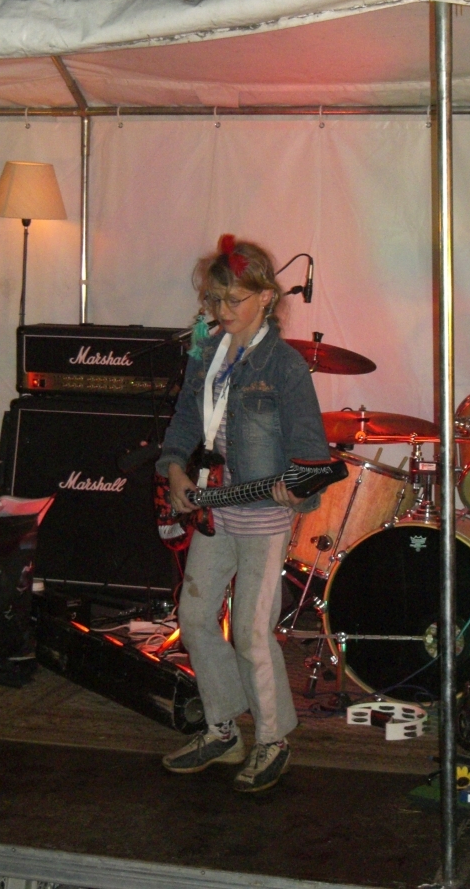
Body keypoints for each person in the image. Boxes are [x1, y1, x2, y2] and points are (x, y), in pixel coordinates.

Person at [157, 234, 329, 793]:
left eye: (234, 300)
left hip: (262, 517)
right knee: (194, 617)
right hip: (214, 507)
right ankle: (223, 728)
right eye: (215, 300)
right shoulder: (206, 353)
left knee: (253, 633)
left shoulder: (285, 365)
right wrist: (175, 470)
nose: (222, 311)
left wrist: (299, 491)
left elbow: (312, 451)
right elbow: (186, 421)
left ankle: (273, 739)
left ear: (266, 297)